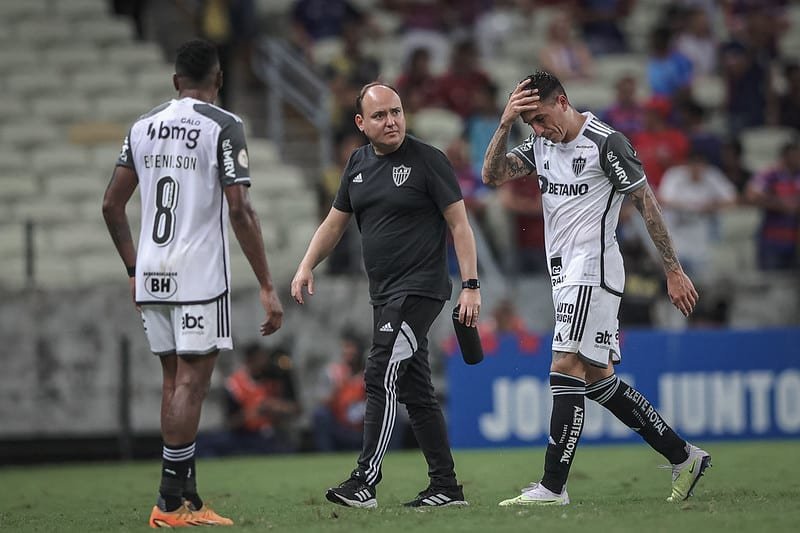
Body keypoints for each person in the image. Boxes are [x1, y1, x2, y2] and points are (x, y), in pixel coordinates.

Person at [481, 71, 710, 506]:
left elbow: (646, 202)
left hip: (593, 268)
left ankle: (552, 487)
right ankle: (684, 457)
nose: (539, 129)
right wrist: (504, 122)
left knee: (564, 365)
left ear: (562, 101)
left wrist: (673, 270)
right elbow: (492, 175)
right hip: (563, 273)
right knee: (599, 379)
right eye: (529, 123)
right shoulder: (539, 143)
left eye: (542, 118)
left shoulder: (607, 142)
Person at [102, 39, 284, 527]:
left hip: (152, 273)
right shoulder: (224, 125)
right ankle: (167, 502)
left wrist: (132, 269)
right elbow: (240, 209)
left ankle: (187, 498)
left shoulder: (142, 127)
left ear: (175, 81)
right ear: (219, 80)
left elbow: (111, 205)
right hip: (198, 276)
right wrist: (267, 283)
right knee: (192, 384)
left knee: (172, 381)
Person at [291, 82, 481, 509]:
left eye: (396, 111)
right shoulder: (357, 165)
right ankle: (446, 488)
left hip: (421, 290)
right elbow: (333, 225)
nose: (391, 120)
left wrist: (470, 285)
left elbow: (460, 225)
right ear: (360, 123)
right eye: (379, 115)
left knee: (379, 372)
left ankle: (365, 481)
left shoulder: (428, 160)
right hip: (385, 296)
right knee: (416, 391)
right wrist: (306, 265)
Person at [199, 344, 300, 456]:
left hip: (271, 434)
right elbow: (230, 423)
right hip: (243, 436)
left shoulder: (276, 377)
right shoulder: (235, 385)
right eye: (260, 359)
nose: (264, 363)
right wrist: (253, 412)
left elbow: (296, 409)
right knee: (209, 443)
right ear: (250, 361)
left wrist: (277, 407)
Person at [745, 139, 800, 271]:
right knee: (770, 282)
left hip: (794, 241)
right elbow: (751, 194)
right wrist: (779, 203)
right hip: (771, 240)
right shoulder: (771, 174)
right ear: (785, 157)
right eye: (795, 156)